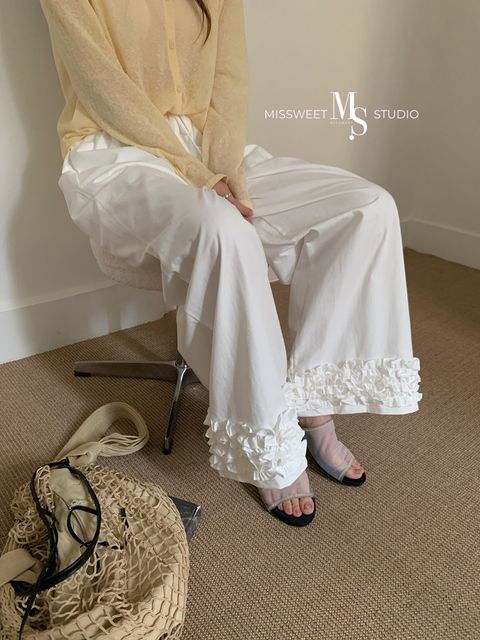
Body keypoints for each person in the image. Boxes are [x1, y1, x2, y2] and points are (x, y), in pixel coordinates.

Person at [39, 0, 422, 527]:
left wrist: (220, 169)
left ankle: (312, 403)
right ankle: (270, 448)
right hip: (116, 152)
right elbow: (103, 89)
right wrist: (197, 177)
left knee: (367, 207)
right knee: (224, 230)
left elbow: (228, 83)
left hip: (209, 149)